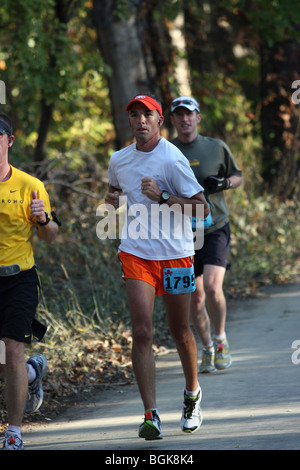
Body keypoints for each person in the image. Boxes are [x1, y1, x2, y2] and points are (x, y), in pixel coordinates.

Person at [105, 93, 209, 440]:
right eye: (134, 115)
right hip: (136, 252)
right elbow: (114, 191)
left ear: (159, 120)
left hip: (177, 253)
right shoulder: (119, 159)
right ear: (130, 122)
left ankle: (192, 395)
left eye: (147, 115)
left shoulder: (172, 159)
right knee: (143, 331)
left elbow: (201, 210)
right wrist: (112, 201)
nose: (140, 121)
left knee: (180, 331)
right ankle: (151, 415)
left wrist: (164, 196)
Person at [170, 97, 243, 373]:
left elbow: (238, 176)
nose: (185, 119)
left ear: (198, 118)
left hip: (214, 228)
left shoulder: (215, 147)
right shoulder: (167, 150)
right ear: (173, 120)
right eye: (179, 115)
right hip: (181, 232)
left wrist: (224, 183)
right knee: (195, 295)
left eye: (190, 114)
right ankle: (207, 347)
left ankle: (220, 338)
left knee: (213, 288)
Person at [0, 113, 59, 450]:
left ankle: (14, 432)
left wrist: (43, 219)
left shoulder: (29, 185)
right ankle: (34, 372)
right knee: (6, 363)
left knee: (12, 348)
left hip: (20, 278)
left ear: (9, 141)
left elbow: (50, 236)